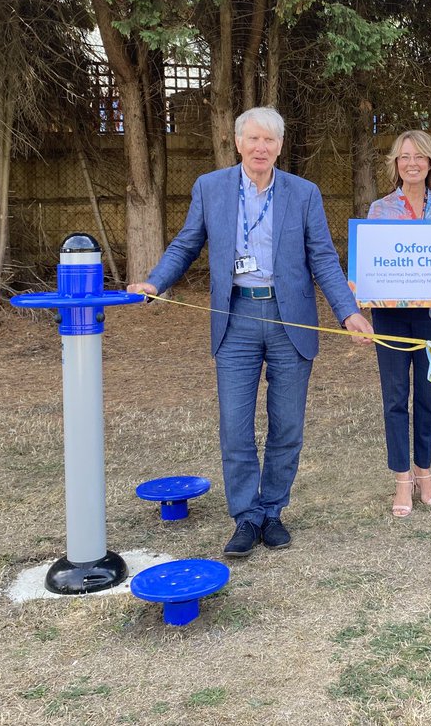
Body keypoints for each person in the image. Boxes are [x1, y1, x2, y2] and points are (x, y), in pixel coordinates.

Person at [127, 107, 372, 558]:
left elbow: (323, 257)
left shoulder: (304, 193)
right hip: (235, 319)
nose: (261, 148)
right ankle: (245, 516)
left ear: (280, 146)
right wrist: (156, 281)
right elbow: (186, 242)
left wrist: (347, 312)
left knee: (287, 425)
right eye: (253, 139)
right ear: (238, 143)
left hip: (288, 320)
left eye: (270, 141)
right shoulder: (211, 187)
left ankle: (273, 511)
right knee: (235, 427)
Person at [366, 131, 431, 518]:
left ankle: (425, 473)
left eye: (419, 157)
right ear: (395, 163)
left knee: (428, 397)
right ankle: (402, 478)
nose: (412, 163)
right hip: (389, 314)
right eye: (404, 157)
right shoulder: (379, 210)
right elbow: (369, 264)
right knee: (394, 398)